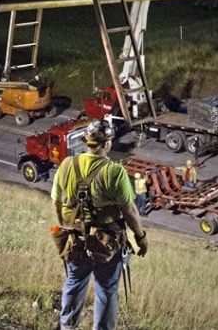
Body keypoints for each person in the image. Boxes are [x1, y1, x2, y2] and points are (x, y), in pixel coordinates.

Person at [51, 119, 148, 330]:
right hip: (107, 243)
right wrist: (140, 237)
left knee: (75, 282)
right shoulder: (114, 171)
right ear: (106, 144)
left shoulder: (67, 164)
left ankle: (67, 326)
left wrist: (65, 226)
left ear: (87, 142)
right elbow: (129, 210)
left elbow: (56, 201)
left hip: (75, 239)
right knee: (106, 289)